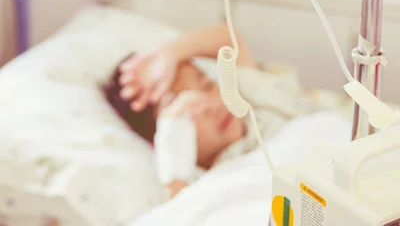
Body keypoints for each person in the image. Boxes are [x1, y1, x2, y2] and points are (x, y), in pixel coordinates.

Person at [106, 23, 347, 200]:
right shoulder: (206, 183)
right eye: (188, 107)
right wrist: (174, 166)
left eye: (207, 85)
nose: (212, 106)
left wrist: (171, 53)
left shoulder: (255, 98)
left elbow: (229, 39)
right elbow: (180, 215)